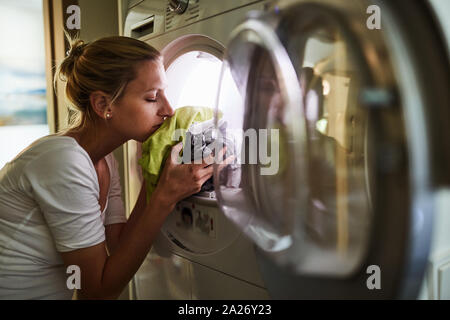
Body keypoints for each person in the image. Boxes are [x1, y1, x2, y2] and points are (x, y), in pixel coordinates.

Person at [0, 36, 230, 300]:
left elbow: (120, 245)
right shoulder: (65, 162)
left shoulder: (103, 159)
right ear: (103, 105)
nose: (168, 110)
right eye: (152, 98)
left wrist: (159, 174)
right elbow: (97, 292)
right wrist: (165, 196)